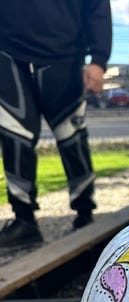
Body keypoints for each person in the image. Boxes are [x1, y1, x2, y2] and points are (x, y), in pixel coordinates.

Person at [0, 0, 112, 249]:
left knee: (71, 136)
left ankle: (85, 215)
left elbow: (97, 7)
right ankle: (24, 221)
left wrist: (98, 60)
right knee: (13, 136)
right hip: (7, 55)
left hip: (64, 56)